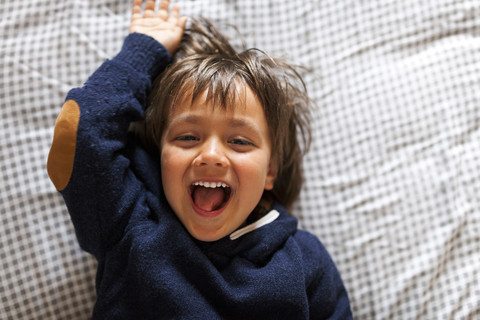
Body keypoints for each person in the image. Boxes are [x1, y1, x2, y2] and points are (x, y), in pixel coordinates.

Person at [47, 0, 352, 318]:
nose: (210, 155)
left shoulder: (305, 260)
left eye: (239, 141)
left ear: (271, 170)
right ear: (160, 153)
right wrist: (144, 51)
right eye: (187, 137)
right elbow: (79, 133)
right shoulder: (130, 219)